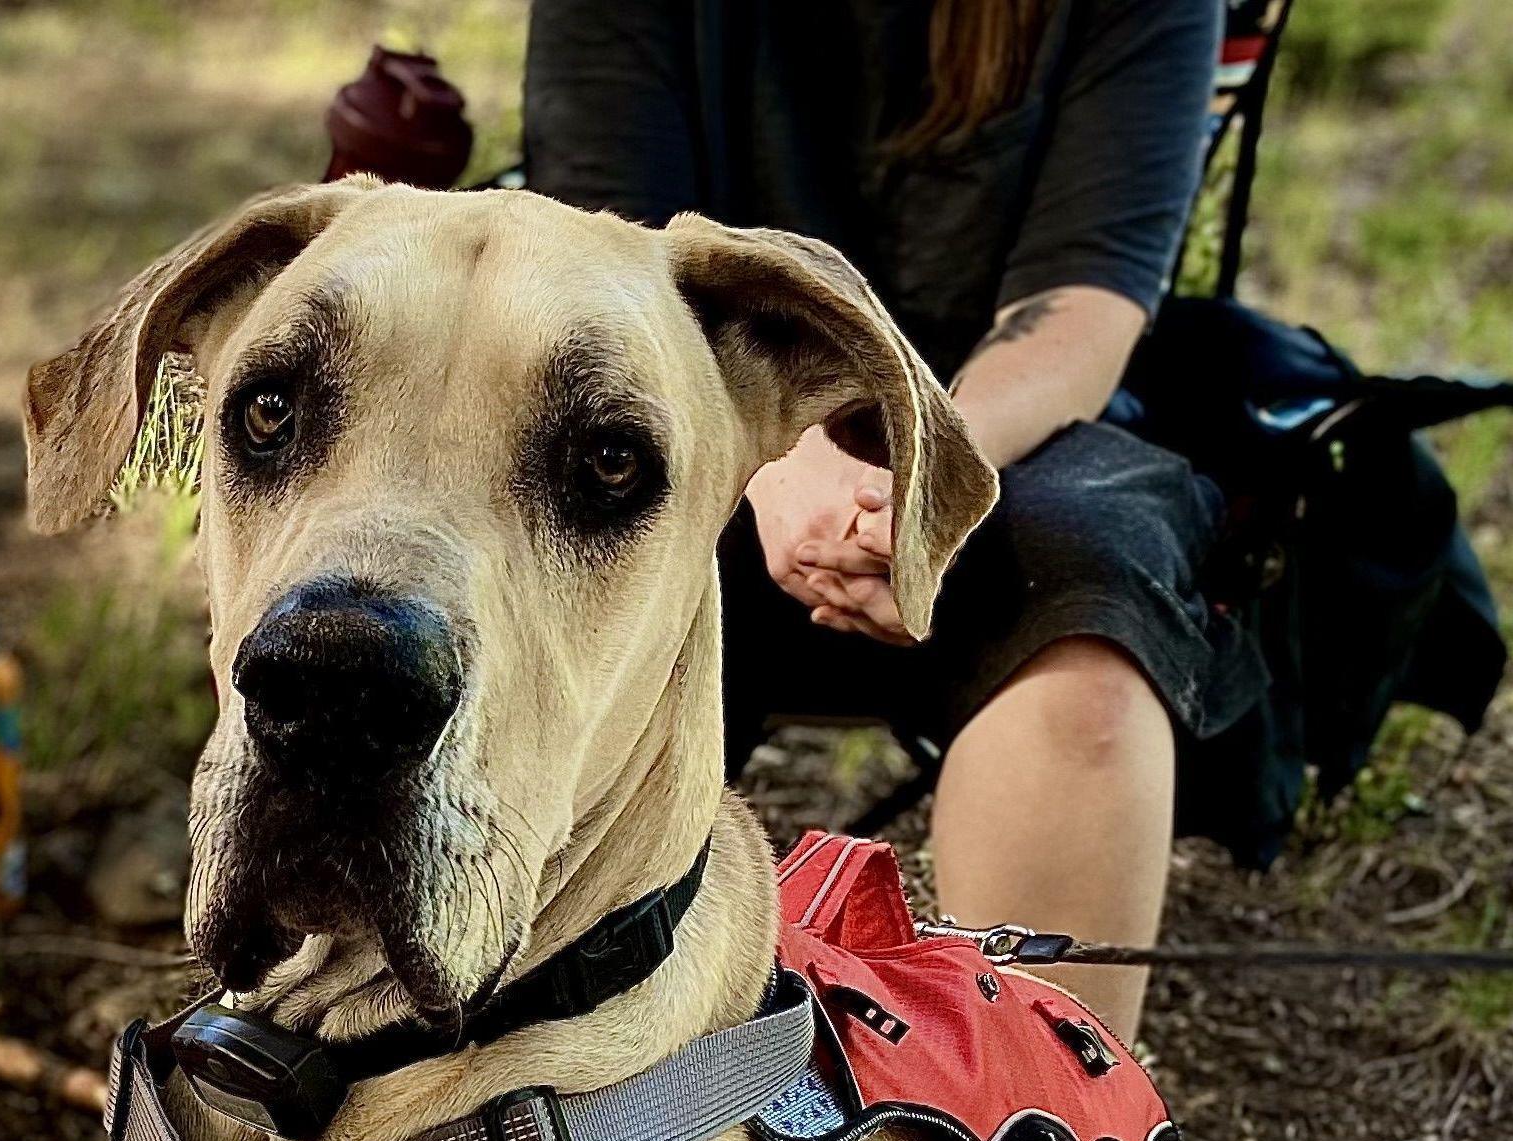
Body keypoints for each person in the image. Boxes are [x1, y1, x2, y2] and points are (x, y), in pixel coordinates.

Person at [525, 0, 1255, 1038]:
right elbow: (596, 255)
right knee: (546, 528)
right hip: (676, 416)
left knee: (1084, 600)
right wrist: (775, 461)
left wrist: (920, 480)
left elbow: (1081, 305)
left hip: (1001, 431)